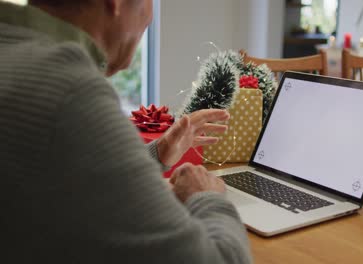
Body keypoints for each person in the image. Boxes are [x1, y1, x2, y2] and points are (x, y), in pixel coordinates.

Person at [0, 0, 252, 263]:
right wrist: (205, 195)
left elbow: (69, 172)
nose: (149, 17)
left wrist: (157, 154)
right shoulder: (70, 90)